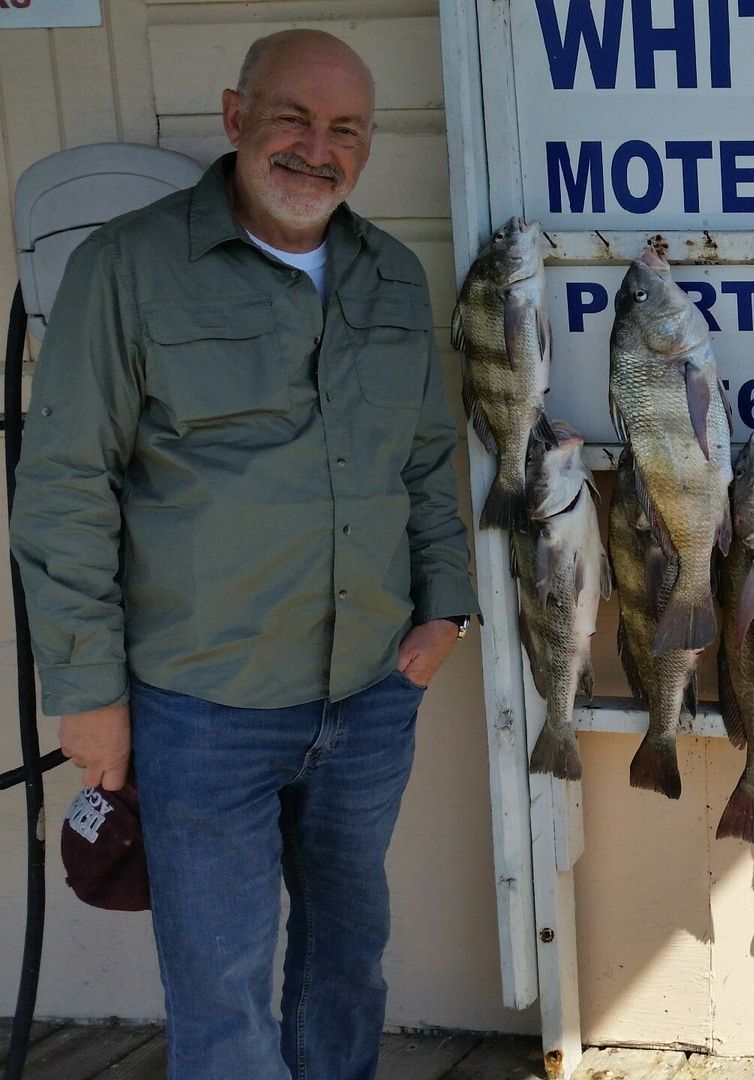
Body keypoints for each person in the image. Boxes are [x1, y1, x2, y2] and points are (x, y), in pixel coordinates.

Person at [11, 29, 477, 1079]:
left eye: (346, 129)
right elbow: (63, 487)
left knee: (347, 962)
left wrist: (446, 611)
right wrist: (86, 692)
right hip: (199, 707)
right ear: (234, 119)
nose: (319, 149)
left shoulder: (391, 277)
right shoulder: (126, 269)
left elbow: (423, 459)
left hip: (367, 696)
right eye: (293, 119)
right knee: (221, 995)